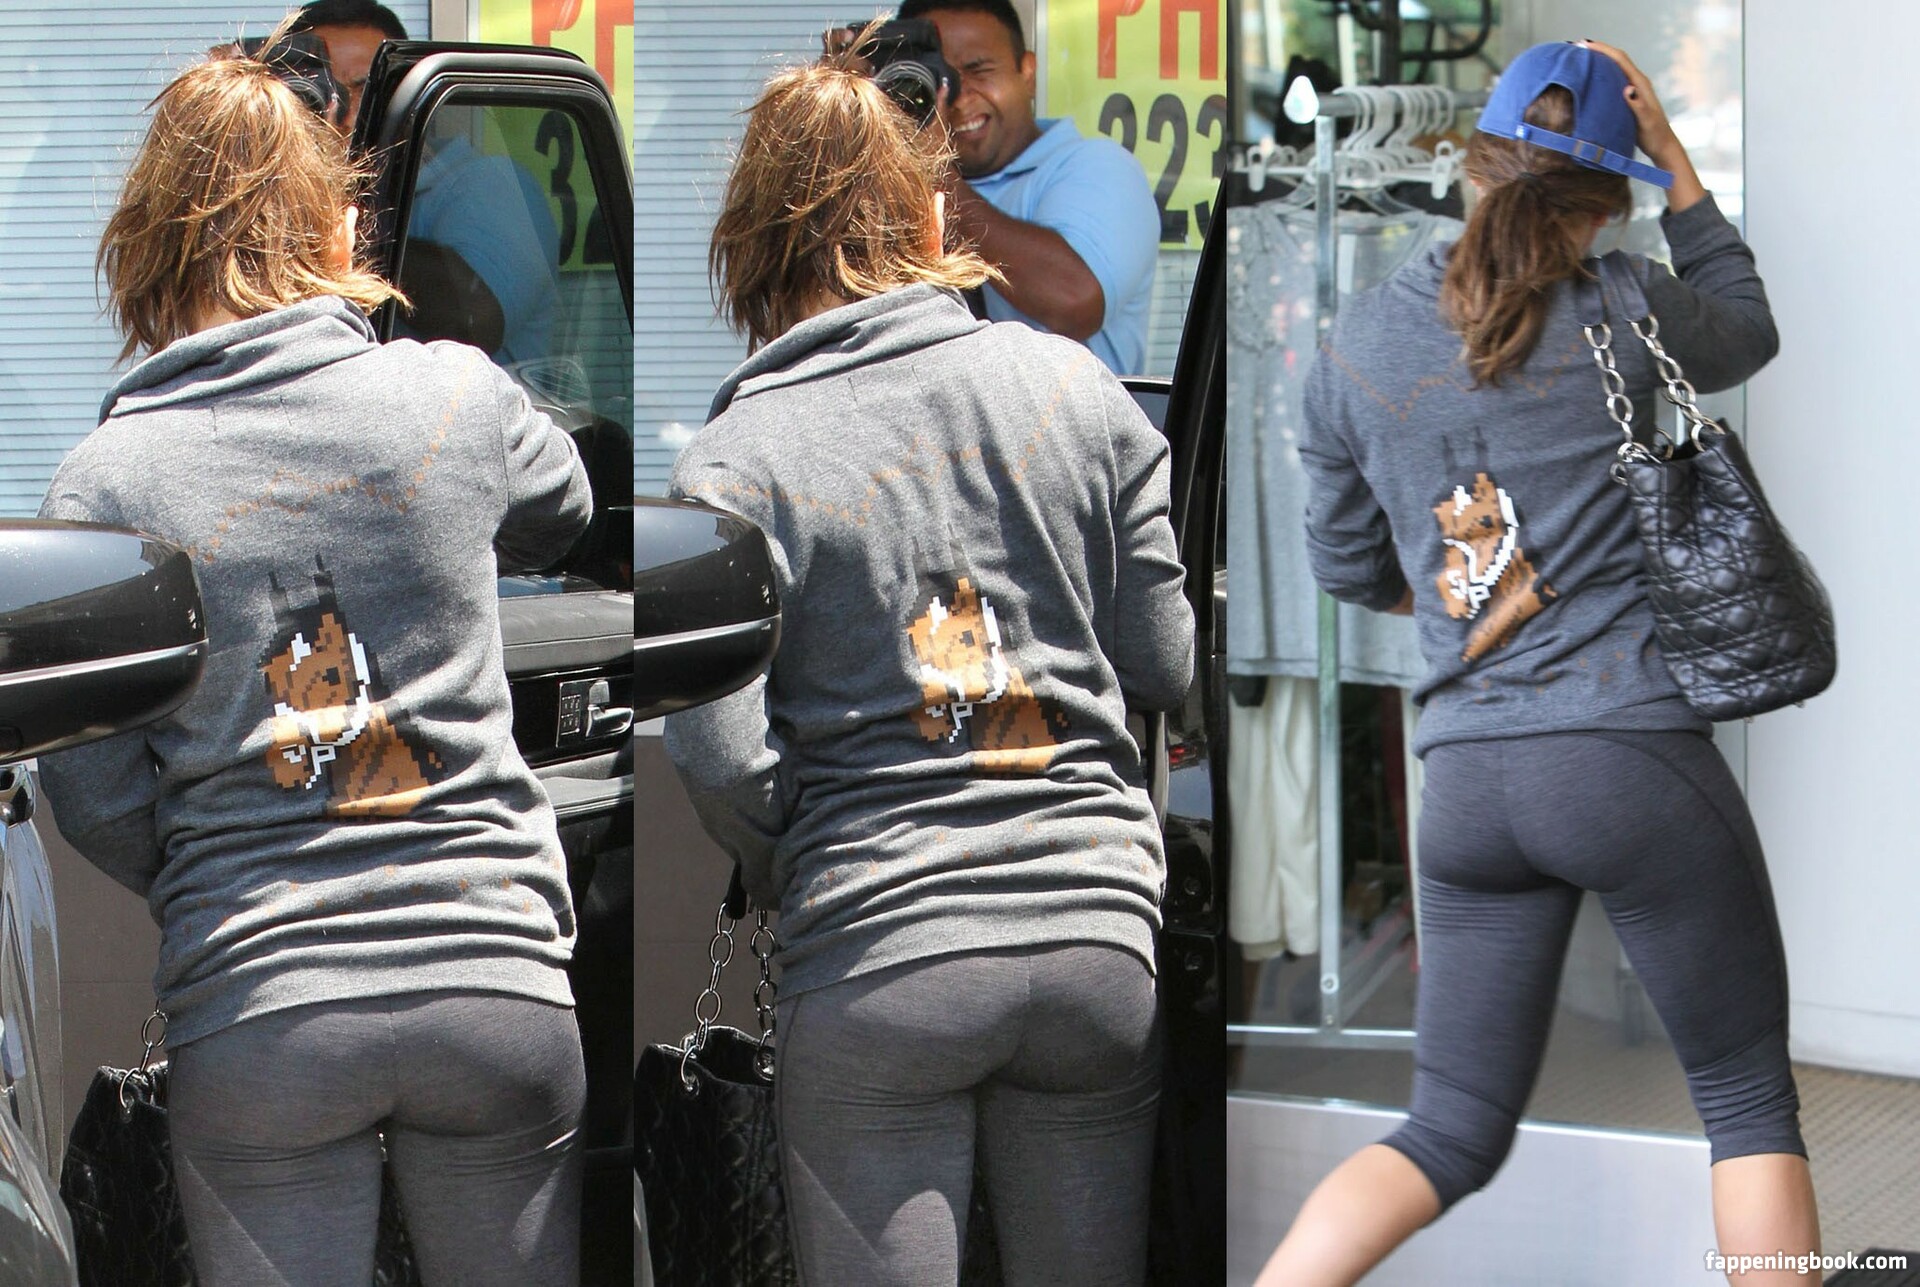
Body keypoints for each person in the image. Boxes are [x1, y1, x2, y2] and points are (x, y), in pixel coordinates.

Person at [1256, 41, 1820, 1287]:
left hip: (1467, 788)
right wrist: (1680, 166)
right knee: (1744, 1102)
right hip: (1628, 761)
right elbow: (1748, 327)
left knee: (1446, 1132)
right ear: (1608, 202)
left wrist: (1469, 597)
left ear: (1471, 166)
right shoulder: (1625, 303)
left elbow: (1349, 565)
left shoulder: (1355, 347)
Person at [36, 33, 592, 1287]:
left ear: (151, 243)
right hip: (493, 977)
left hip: (263, 1006)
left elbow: (90, 787)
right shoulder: (453, 396)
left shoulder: (104, 487)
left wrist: (213, 865)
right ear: (334, 224)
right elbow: (567, 503)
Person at [661, 55, 1193, 1287]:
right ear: (930, 213)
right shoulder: (1077, 387)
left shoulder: (734, 463)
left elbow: (718, 752)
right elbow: (1166, 659)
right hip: (1095, 939)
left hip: (881, 953)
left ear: (754, 245)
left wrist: (799, 854)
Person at [890, 0, 1161, 375]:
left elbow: (1073, 300)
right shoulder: (890, 183)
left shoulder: (1096, 165)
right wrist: (842, 121)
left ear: (1028, 73)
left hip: (1068, 413)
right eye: (938, 77)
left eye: (978, 70)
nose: (959, 97)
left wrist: (934, 175)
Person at [290, 0, 561, 363]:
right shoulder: (287, 197)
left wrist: (326, 221)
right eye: (321, 92)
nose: (343, 113)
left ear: (408, 93)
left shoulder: (487, 182)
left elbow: (473, 321)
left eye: (365, 90)